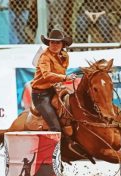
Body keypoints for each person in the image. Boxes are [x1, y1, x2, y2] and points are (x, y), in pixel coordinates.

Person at [31, 29, 91, 158]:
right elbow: (46, 75)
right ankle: (53, 158)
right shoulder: (44, 57)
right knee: (55, 127)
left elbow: (62, 73)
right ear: (49, 43)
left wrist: (63, 80)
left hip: (53, 90)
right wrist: (64, 78)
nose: (55, 45)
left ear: (63, 44)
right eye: (52, 42)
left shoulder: (64, 56)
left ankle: (71, 143)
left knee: (71, 113)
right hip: (41, 95)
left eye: (58, 43)